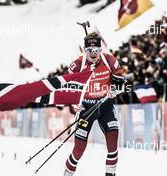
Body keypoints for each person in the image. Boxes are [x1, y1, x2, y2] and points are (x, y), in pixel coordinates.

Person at [64, 32, 125, 176]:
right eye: (89, 50)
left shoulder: (110, 60)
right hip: (86, 109)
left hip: (106, 107)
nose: (93, 54)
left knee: (113, 146)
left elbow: (122, 84)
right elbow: (67, 88)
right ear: (85, 50)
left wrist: (115, 91)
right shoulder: (77, 65)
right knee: (78, 150)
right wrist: (74, 103)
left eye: (96, 50)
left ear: (101, 49)